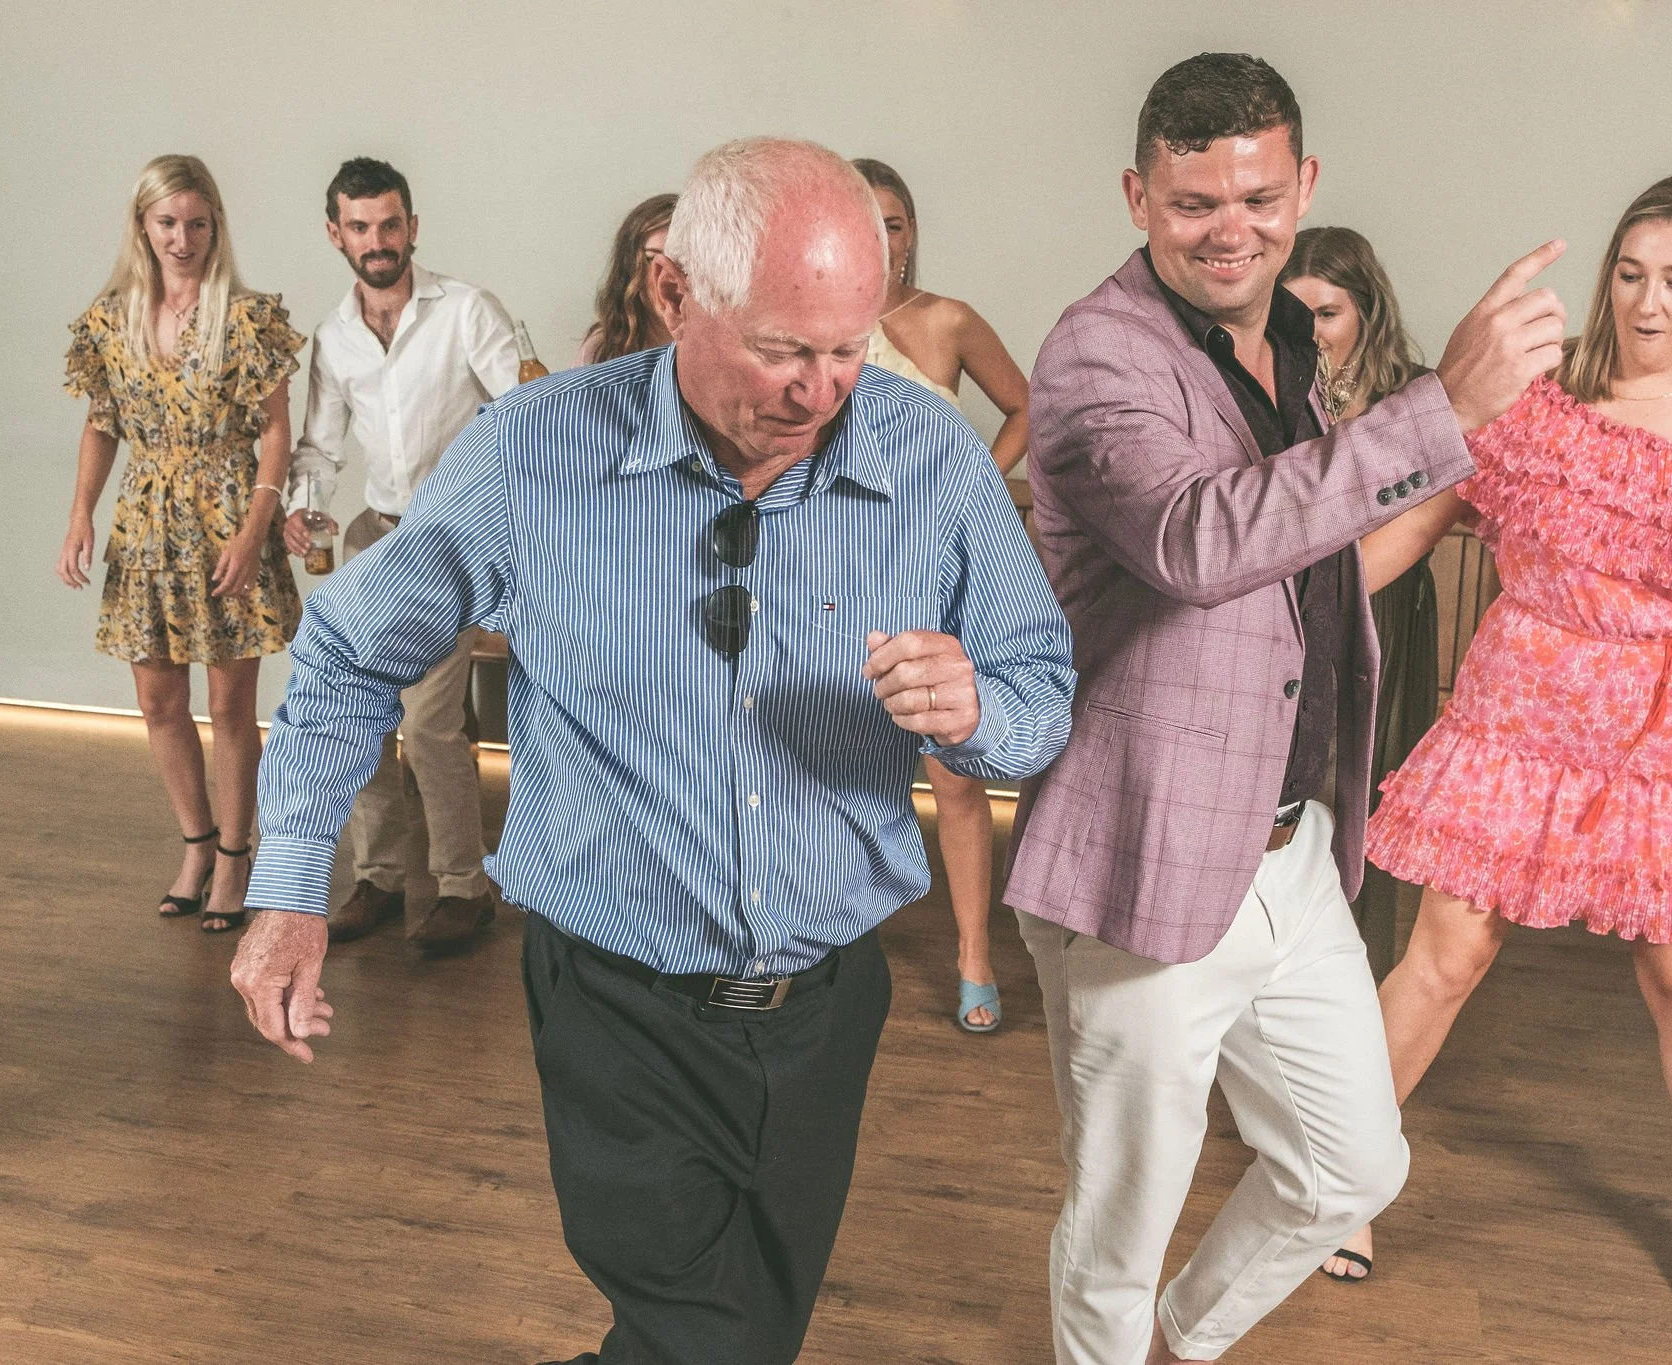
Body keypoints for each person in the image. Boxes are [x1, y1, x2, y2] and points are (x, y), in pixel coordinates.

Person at [231, 137, 1074, 1365]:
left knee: (744, 1339)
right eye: (782, 350)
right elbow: (351, 649)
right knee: (706, 1343)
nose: (821, 391)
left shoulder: (931, 455)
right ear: (673, 292)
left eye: (847, 348)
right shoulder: (532, 452)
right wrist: (291, 890)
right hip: (616, 1009)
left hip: (829, 1009)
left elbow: (1040, 693)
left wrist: (978, 708)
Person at [1005, 53, 1566, 1364]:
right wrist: (1443, 409)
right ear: (1137, 198)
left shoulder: (1290, 344)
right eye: (1193, 203)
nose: (1231, 230)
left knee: (1352, 1167)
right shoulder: (1096, 355)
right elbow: (1200, 540)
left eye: (1258, 199)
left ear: (1302, 186)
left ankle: (1182, 1344)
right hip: (1148, 854)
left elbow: (1308, 558)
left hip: (1291, 847)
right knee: (1119, 1226)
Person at [1355, 173, 1672, 1322]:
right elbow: (1419, 519)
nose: (1644, 302)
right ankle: (1342, 1176)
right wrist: (1276, 600)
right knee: (1444, 955)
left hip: (1662, 721)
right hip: (1518, 699)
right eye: (1628, 274)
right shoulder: (1538, 387)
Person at [57, 153, 304, 934]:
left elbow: (275, 432)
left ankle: (236, 854)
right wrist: (81, 514)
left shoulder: (248, 317)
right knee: (159, 701)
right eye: (168, 222)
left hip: (231, 518)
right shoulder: (111, 319)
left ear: (215, 225)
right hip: (146, 527)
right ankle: (196, 845)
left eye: (198, 222)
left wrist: (256, 529)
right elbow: (101, 424)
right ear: (143, 225)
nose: (183, 238)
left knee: (230, 703)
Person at [282, 157, 521, 951]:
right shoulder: (334, 336)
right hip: (371, 536)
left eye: (390, 224)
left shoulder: (467, 311)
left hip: (452, 540)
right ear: (336, 234)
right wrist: (302, 506)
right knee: (354, 709)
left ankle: (464, 887)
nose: (377, 240)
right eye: (360, 227)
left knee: (427, 722)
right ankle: (378, 877)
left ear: (412, 227)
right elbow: (319, 448)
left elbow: (524, 415)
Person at [1280, 226, 1440, 1283]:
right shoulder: (1260, 384)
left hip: (1368, 639)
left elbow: (1413, 529)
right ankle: (1273, 1079)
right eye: (1294, 316)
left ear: (1366, 311)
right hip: (1279, 646)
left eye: (1326, 313)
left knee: (1355, 858)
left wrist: (1289, 603)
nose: (1311, 333)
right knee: (1273, 852)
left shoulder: (1412, 397)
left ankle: (1343, 1142)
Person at [852, 155, 1032, 1033]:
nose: (879, 238)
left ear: (911, 231)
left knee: (954, 775)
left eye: (891, 222)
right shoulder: (812, 322)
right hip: (833, 566)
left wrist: (975, 484)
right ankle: (830, 934)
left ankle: (973, 955)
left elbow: (1028, 406)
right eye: (862, 222)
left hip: (930, 568)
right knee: (828, 759)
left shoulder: (947, 319)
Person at [575, 192, 677, 365]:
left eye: (677, 259)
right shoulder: (602, 349)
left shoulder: (716, 338)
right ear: (630, 267)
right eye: (653, 259)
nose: (668, 274)